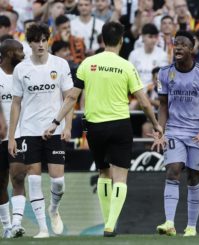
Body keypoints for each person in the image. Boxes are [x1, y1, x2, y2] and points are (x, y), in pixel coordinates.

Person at [43, 21, 163, 237]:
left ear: (102, 39)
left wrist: (55, 121)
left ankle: (109, 221)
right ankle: (111, 222)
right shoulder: (126, 65)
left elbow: (72, 96)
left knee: (103, 173)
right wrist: (156, 124)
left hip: (95, 128)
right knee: (120, 177)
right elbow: (144, 101)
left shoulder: (88, 63)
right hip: (119, 125)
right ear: (120, 39)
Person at [8, 23, 74, 238]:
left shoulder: (60, 64)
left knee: (58, 181)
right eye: (36, 41)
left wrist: (68, 127)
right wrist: (12, 136)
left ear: (49, 40)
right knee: (33, 177)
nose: (40, 44)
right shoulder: (21, 69)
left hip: (54, 129)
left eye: (43, 40)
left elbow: (69, 99)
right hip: (29, 130)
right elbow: (16, 103)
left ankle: (53, 210)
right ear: (30, 43)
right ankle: (43, 229)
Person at [153, 30, 199, 237]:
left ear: (191, 49)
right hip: (174, 131)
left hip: (197, 132)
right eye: (175, 43)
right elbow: (162, 104)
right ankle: (169, 223)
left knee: (194, 176)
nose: (178, 47)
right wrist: (160, 129)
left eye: (183, 44)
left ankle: (191, 227)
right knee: (173, 169)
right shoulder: (164, 73)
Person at [0, 39, 26, 239]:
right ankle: (7, 226)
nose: (23, 53)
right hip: (1, 136)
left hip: (20, 134)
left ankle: (17, 223)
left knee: (17, 176)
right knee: (1, 184)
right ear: (9, 53)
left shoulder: (24, 73)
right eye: (19, 50)